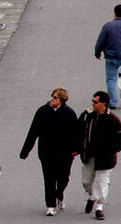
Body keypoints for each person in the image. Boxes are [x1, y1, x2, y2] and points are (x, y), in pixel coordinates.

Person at [20, 87, 78, 216]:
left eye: (55, 97)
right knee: (49, 178)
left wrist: (76, 149)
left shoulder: (70, 113)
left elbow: (76, 133)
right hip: (47, 152)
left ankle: (59, 195)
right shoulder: (42, 111)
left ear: (62, 100)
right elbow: (33, 132)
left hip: (65, 153)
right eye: (51, 96)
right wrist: (25, 151)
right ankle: (50, 205)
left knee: (63, 177)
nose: (51, 99)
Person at [79, 91, 121, 220]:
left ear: (104, 104)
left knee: (102, 182)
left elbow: (119, 139)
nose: (92, 103)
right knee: (86, 181)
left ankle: (99, 207)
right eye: (92, 101)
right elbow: (79, 131)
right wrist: (78, 148)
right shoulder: (87, 116)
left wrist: (110, 151)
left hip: (105, 158)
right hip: (89, 155)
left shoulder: (113, 119)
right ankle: (91, 196)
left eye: (95, 101)